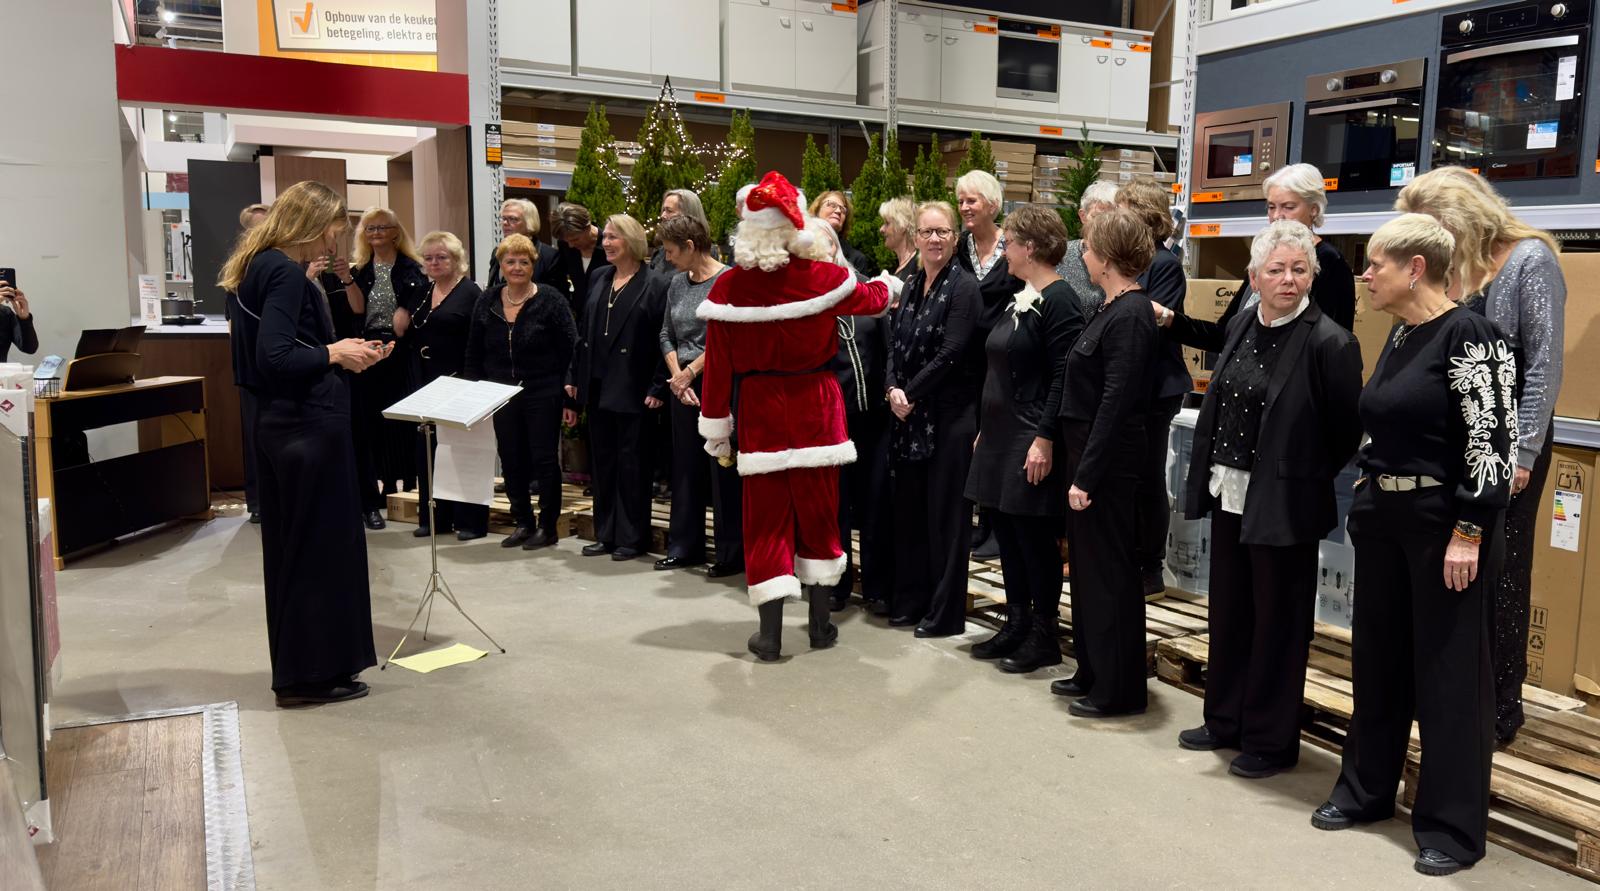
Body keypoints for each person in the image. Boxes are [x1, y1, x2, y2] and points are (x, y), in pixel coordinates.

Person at [1312, 213, 1515, 878]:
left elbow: (1492, 442)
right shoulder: (1402, 333)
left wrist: (1470, 529)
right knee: (1379, 662)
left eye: (1375, 264)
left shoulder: (1471, 334)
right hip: (1385, 518)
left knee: (1449, 676)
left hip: (1442, 526)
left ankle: (1452, 828)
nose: (1365, 275)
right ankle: (1365, 791)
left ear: (1416, 268)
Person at [1173, 221, 1363, 778]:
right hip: (1230, 491)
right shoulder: (1241, 323)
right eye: (1276, 269)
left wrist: (1299, 475)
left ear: (1313, 276)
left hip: (1284, 503)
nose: (1288, 279)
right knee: (1230, 612)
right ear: (1254, 277)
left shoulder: (1330, 341)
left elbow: (1344, 432)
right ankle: (1224, 719)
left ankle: (1270, 740)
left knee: (1279, 625)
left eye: (1299, 269)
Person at [1396, 166, 1566, 744]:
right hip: (1458, 444)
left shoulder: (1529, 260)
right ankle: (1451, 696)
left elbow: (1543, 366)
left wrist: (1523, 453)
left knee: (1502, 572)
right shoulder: (1457, 265)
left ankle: (1498, 708)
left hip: (1509, 446)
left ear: (1462, 218)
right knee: (1456, 571)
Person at [696, 171, 896, 661]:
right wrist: (891, 282)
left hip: (760, 409)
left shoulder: (728, 287)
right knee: (820, 512)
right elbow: (875, 300)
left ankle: (769, 636)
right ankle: (821, 625)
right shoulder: (823, 278)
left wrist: (717, 428)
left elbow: (717, 369)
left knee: (764, 520)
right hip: (816, 405)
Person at [218, 180, 385, 707]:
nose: (333, 243)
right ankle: (311, 676)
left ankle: (304, 670)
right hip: (306, 426)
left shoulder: (258, 266)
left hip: (281, 424)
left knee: (295, 552)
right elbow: (276, 357)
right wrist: (334, 354)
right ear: (311, 223)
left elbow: (281, 351)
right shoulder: (285, 273)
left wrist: (337, 349)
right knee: (320, 552)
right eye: (333, 230)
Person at [965, 206, 1086, 672]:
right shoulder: (1022, 295)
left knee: (1032, 538)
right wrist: (985, 427)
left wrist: (1044, 438)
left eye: (1010, 243)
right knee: (1007, 534)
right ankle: (1015, 622)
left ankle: (1044, 633)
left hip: (1029, 433)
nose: (1004, 251)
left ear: (1030, 248)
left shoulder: (1060, 300)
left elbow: (1062, 375)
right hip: (1000, 432)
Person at [1051, 207, 1156, 718]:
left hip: (1107, 468)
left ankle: (1118, 689)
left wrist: (1087, 475)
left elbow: (1115, 402)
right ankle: (1092, 669)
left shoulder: (1131, 315)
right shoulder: (1109, 306)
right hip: (1087, 459)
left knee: (1110, 576)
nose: (1084, 255)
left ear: (1109, 258)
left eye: (1090, 248)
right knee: (1089, 574)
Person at [886, 201, 984, 637]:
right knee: (910, 516)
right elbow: (894, 344)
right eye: (926, 232)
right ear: (916, 237)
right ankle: (911, 601)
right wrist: (892, 387)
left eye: (942, 231)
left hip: (949, 418)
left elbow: (952, 353)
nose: (934, 239)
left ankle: (944, 615)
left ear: (955, 238)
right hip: (909, 417)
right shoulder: (911, 284)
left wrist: (909, 392)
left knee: (946, 521)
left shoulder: (965, 288)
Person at [1153, 163, 1356, 346]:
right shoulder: (1264, 256)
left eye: (1288, 207)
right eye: (1271, 207)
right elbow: (1226, 333)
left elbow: (1332, 345)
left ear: (1314, 209)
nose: (1277, 216)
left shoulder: (1330, 262)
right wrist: (1167, 316)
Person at [463, 233, 577, 549]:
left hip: (542, 390)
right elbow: (473, 350)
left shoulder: (551, 300)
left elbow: (571, 349)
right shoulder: (487, 300)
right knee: (511, 458)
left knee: (544, 459)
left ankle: (548, 527)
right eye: (510, 261)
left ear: (533, 265)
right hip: (500, 392)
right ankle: (523, 522)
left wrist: (570, 398)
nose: (516, 267)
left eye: (523, 262)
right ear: (500, 265)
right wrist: (473, 394)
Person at [571, 214, 669, 561]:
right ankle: (606, 533)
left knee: (633, 465)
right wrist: (573, 376)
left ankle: (632, 536)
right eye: (606, 237)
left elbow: (664, 340)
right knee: (603, 464)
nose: (606, 243)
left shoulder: (655, 283)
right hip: (598, 384)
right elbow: (583, 331)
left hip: (634, 387)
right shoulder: (600, 276)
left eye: (614, 237)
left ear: (632, 240)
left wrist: (658, 386)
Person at [652, 213, 742, 576]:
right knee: (685, 466)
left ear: (690, 246)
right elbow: (666, 334)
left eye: (671, 251)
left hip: (717, 382)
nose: (667, 258)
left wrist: (690, 373)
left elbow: (728, 338)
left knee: (722, 468)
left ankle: (731, 553)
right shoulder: (677, 283)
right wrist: (678, 376)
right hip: (682, 384)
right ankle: (684, 547)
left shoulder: (729, 280)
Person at [813, 223, 894, 612]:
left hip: (873, 419)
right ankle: (837, 585)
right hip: (829, 423)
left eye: (826, 245)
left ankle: (877, 586)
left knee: (876, 504)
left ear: (836, 247)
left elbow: (888, 349)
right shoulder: (807, 302)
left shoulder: (865, 289)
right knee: (834, 507)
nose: (822, 253)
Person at [1118, 179, 1189, 596]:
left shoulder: (1164, 264)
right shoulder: (1129, 261)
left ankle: (1150, 565)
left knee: (1147, 474)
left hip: (1156, 386)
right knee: (1128, 474)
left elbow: (1153, 323)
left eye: (1123, 208)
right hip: (1129, 384)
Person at [395, 230, 489, 541]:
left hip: (459, 380)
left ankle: (470, 521)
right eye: (429, 258)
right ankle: (434, 517)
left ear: (456, 259)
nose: (434, 263)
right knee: (428, 448)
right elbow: (411, 330)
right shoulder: (424, 291)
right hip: (425, 380)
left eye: (441, 257)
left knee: (461, 452)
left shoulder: (471, 293)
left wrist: (472, 384)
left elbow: (479, 340)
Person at [338, 207, 428, 530]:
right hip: (369, 348)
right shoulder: (362, 270)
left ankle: (410, 487)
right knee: (373, 420)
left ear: (395, 233)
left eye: (382, 228)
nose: (375, 233)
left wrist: (406, 310)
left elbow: (419, 303)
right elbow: (358, 309)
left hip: (402, 351)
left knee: (402, 419)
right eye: (370, 228)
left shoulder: (412, 268)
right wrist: (347, 280)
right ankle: (383, 488)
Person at [1057, 181, 1119, 314]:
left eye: (1112, 217)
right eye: (1097, 217)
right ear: (1083, 216)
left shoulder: (1124, 257)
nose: (1104, 224)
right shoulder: (1061, 254)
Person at [488, 198, 568, 299]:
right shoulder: (498, 252)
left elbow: (559, 298)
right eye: (503, 218)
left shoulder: (549, 256)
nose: (505, 223)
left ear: (529, 222)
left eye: (513, 219)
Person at [552, 202, 611, 323]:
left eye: (575, 239)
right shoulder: (565, 245)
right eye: (567, 241)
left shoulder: (609, 246)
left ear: (588, 227)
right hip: (578, 317)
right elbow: (560, 277)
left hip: (606, 316)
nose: (571, 245)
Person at [810, 190, 879, 278]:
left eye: (843, 210)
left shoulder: (857, 259)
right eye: (832, 205)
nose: (838, 211)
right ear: (817, 210)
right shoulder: (800, 245)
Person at [650, 189, 710, 273]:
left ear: (688, 215)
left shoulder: (704, 253)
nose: (663, 215)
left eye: (669, 211)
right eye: (663, 210)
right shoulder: (660, 251)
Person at [878, 196, 920, 282]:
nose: (881, 229)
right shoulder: (896, 266)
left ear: (902, 226)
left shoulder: (919, 266)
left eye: (887, 223)